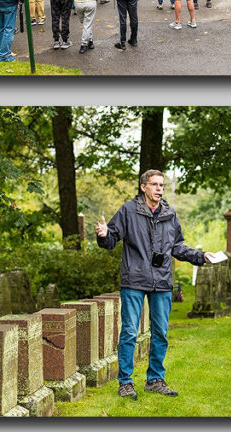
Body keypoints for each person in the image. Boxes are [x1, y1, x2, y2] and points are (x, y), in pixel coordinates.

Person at [96, 170, 209, 399]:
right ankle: (125, 383)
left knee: (161, 332)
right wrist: (103, 234)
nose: (159, 189)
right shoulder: (128, 210)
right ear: (143, 187)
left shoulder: (169, 214)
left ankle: (155, 379)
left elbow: (177, 247)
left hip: (162, 281)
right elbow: (111, 240)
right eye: (155, 185)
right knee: (129, 332)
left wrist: (202, 256)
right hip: (134, 280)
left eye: (162, 185)